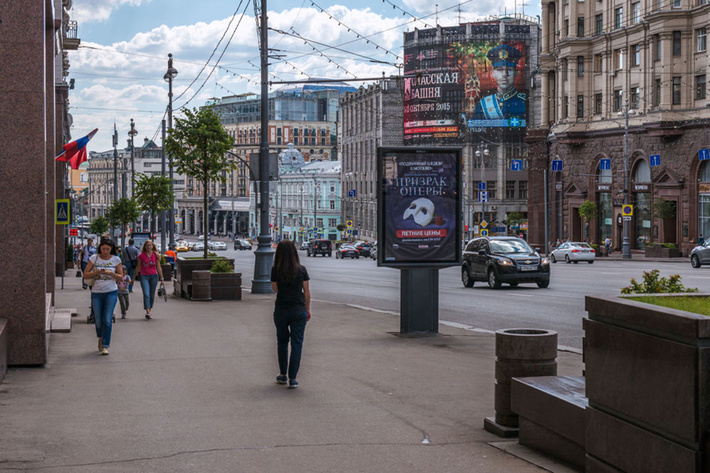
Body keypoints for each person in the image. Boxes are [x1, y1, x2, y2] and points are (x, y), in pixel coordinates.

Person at [270, 240, 311, 389]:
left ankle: (282, 375)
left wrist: (285, 294)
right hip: (298, 310)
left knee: (282, 342)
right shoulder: (301, 270)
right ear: (294, 252)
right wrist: (307, 309)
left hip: (281, 309)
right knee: (297, 344)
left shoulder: (276, 270)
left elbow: (275, 288)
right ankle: (293, 379)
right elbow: (306, 292)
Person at [83, 239, 122, 355]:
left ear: (111, 249)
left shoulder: (116, 259)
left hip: (111, 292)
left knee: (107, 319)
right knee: (98, 321)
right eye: (103, 249)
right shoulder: (94, 258)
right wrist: (97, 272)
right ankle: (100, 337)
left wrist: (112, 274)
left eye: (108, 249)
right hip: (96, 292)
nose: (105, 251)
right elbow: (85, 274)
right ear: (100, 248)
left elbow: (120, 277)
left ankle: (105, 345)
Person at [472, 44, 526, 121]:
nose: (504, 75)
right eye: (499, 70)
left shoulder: (523, 102)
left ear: (516, 72)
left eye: (509, 69)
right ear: (493, 73)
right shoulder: (482, 105)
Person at [134, 240, 164, 320]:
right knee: (146, 293)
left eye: (150, 245)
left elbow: (158, 267)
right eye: (147, 245)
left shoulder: (156, 255)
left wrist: (162, 278)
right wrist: (133, 277)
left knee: (152, 294)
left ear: (152, 246)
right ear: (145, 247)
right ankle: (147, 311)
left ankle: (149, 309)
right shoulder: (141, 256)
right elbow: (138, 267)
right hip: (144, 276)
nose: (149, 247)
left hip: (154, 276)